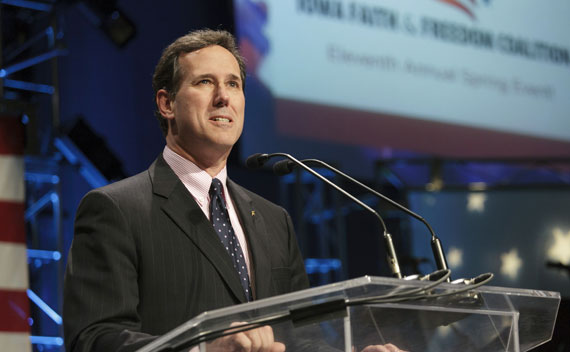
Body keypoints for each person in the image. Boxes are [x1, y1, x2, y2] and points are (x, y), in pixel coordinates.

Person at [63, 29, 309, 352]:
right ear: (167, 104)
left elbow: (304, 336)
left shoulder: (275, 220)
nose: (224, 96)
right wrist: (203, 350)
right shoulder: (115, 210)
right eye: (205, 82)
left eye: (233, 84)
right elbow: (94, 339)